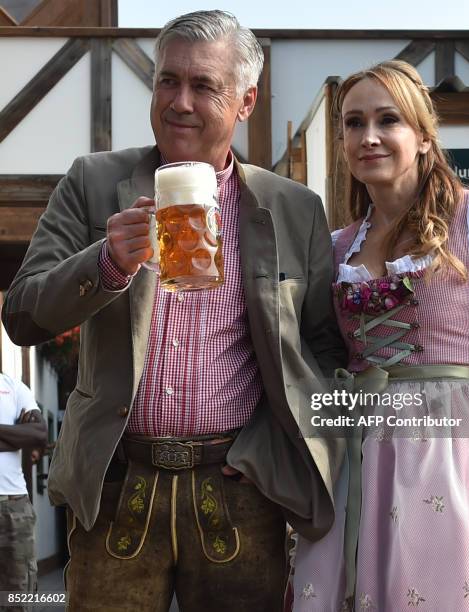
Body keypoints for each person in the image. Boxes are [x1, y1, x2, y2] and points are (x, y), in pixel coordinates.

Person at [2, 10, 346, 611]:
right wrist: (105, 262)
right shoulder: (91, 181)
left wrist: (269, 451)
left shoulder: (294, 207)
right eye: (167, 80)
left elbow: (324, 350)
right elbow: (23, 314)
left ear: (245, 101)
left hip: (239, 484)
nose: (179, 101)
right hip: (117, 484)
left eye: (203, 85)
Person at [291, 60, 469, 611]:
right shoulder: (335, 249)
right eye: (353, 124)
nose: (369, 137)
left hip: (449, 454)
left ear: (425, 137)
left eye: (388, 120)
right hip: (356, 454)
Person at [0, 371, 47, 609]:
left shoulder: (15, 387)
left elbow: (39, 432)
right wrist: (17, 436)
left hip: (14, 506)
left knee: (17, 596)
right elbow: (28, 436)